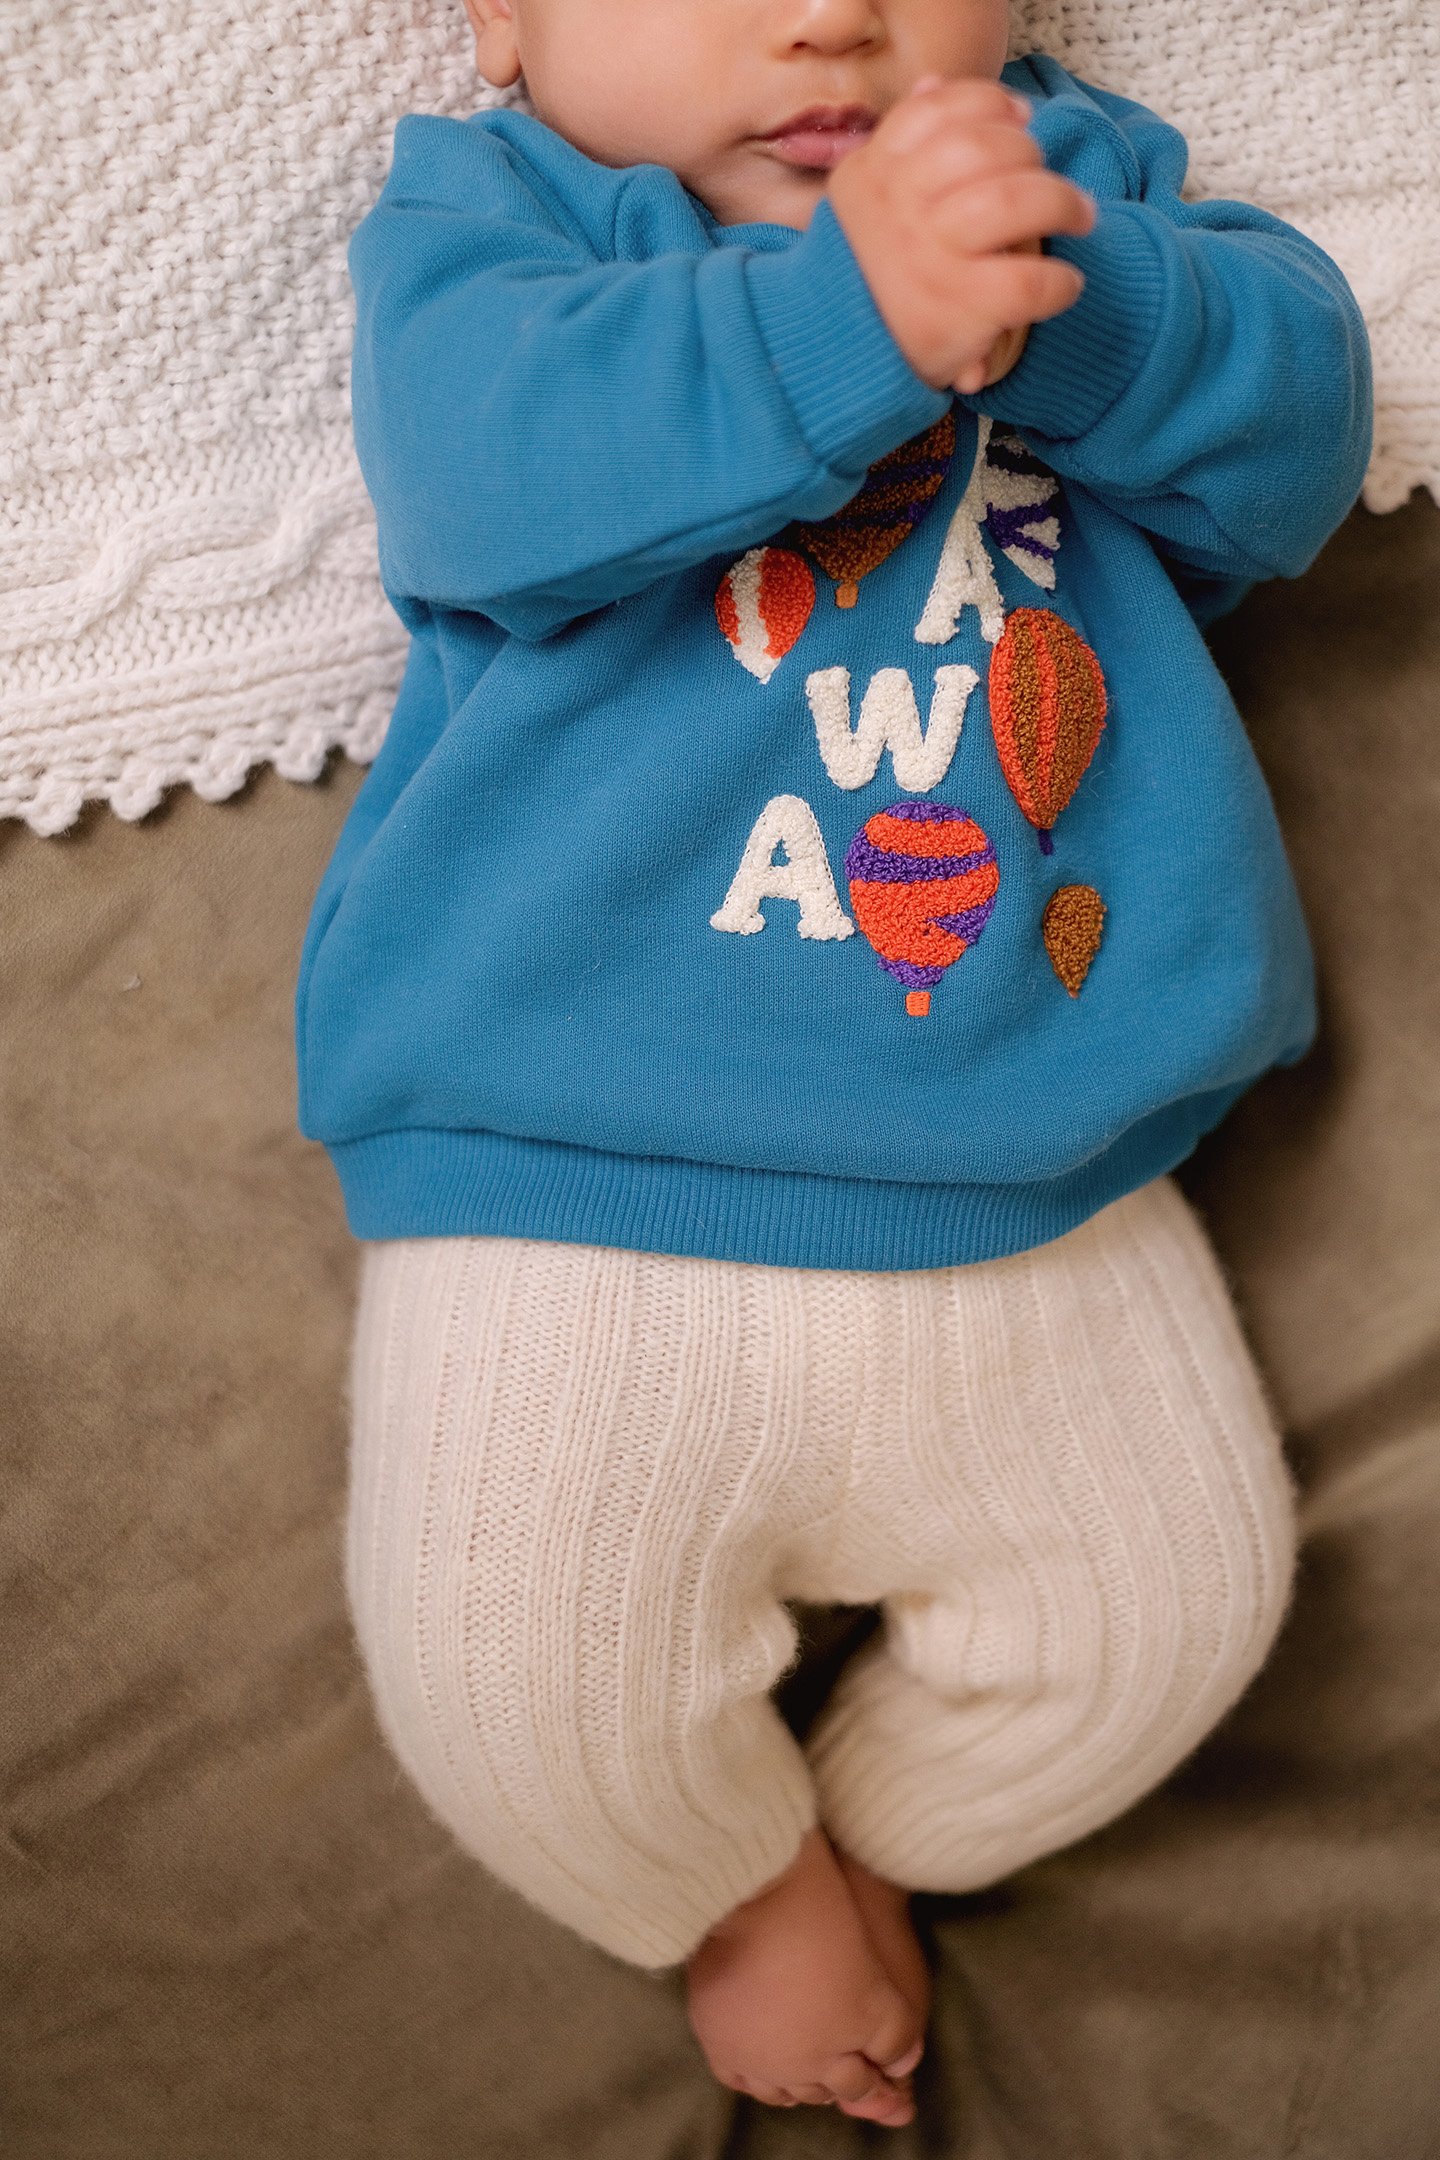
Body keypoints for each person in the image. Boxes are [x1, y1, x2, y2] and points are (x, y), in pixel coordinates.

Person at [295, 0, 1371, 2128]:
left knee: (1172, 1617)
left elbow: (1296, 446)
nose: (824, 15)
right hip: (566, 1176)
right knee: (522, 1703)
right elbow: (482, 479)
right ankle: (743, 1893)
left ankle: (869, 1847)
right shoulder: (498, 220)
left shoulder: (1081, 184)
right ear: (499, 16)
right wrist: (849, 321)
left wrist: (1057, 305)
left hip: (1038, 1177)